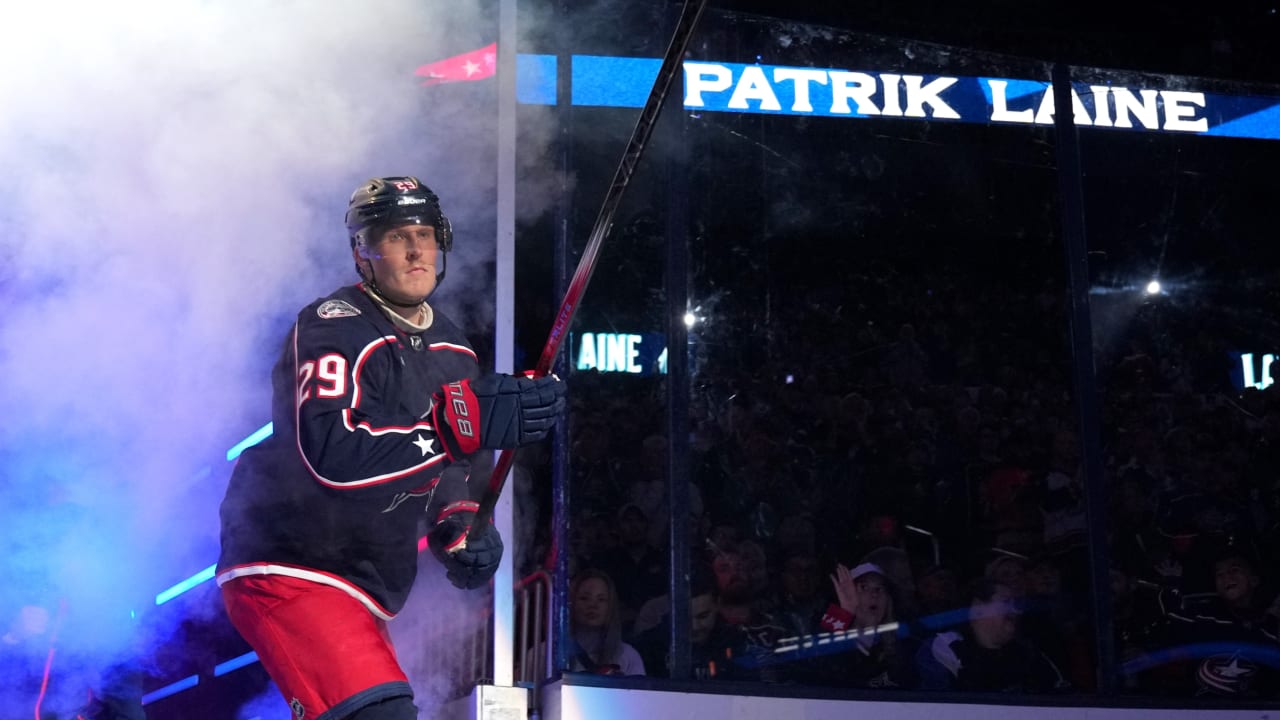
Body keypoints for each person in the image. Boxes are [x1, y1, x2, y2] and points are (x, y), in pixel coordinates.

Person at [216, 177, 566, 720]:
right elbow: (331, 453)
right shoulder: (333, 326)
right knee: (379, 714)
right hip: (292, 562)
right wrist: (453, 428)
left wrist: (458, 525)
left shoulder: (453, 349)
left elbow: (448, 473)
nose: (415, 249)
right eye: (397, 236)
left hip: (362, 578)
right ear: (363, 251)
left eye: (425, 235)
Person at [566, 569, 646, 676]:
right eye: (584, 598)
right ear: (571, 603)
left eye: (601, 599)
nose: (593, 605)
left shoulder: (628, 655)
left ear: (611, 606)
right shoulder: (547, 653)